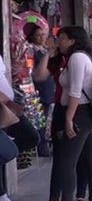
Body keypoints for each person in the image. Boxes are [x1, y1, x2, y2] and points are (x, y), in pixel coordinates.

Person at [38, 26, 92, 201]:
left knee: (67, 163)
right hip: (87, 114)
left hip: (78, 113)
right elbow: (41, 76)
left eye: (63, 38)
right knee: (89, 159)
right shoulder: (84, 58)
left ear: (73, 40)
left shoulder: (76, 59)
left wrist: (68, 119)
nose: (59, 42)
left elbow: (75, 91)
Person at [0, 53, 39, 201]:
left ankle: (1, 195)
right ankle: (1, 195)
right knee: (5, 152)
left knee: (30, 137)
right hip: (3, 104)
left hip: (6, 106)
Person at [26, 24, 55, 157]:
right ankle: (41, 146)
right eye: (38, 35)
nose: (41, 37)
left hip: (49, 88)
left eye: (43, 34)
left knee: (47, 118)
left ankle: (45, 143)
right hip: (38, 89)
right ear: (32, 36)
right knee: (40, 119)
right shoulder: (31, 50)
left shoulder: (46, 50)